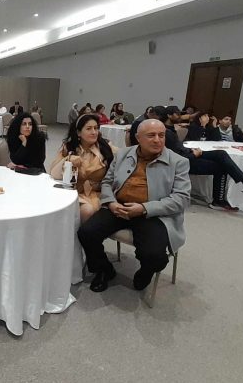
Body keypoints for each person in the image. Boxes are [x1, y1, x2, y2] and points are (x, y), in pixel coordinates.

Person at [77, 119, 190, 292]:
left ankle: (145, 273)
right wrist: (111, 202)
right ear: (138, 138)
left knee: (154, 256)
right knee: (86, 233)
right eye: (151, 135)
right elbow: (107, 182)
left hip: (153, 214)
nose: (157, 140)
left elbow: (181, 199)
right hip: (119, 207)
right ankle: (104, 269)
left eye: (161, 135)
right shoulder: (123, 154)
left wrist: (144, 208)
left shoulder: (178, 162)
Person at [158, 106, 243, 211]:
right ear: (168, 116)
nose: (180, 116)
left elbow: (213, 140)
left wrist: (210, 129)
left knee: (221, 154)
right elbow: (173, 155)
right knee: (221, 166)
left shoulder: (170, 129)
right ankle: (224, 197)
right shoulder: (166, 133)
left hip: (187, 153)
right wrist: (193, 154)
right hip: (183, 160)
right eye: (177, 114)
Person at [49, 113, 115, 222]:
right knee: (86, 210)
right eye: (89, 129)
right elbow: (54, 173)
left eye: (96, 128)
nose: (94, 132)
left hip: (97, 193)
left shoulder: (105, 149)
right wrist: (68, 160)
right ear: (79, 132)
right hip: (74, 192)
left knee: (93, 210)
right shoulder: (69, 148)